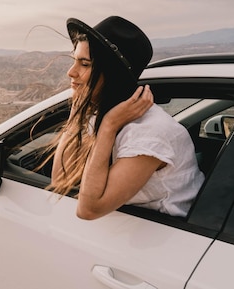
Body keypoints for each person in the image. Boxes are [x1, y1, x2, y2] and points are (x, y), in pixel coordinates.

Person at [48, 16, 204, 220]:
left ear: (112, 74)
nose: (71, 72)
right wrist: (76, 114)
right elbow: (60, 181)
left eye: (84, 64)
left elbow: (89, 210)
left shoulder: (150, 133)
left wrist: (108, 127)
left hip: (165, 240)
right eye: (74, 61)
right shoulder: (102, 112)